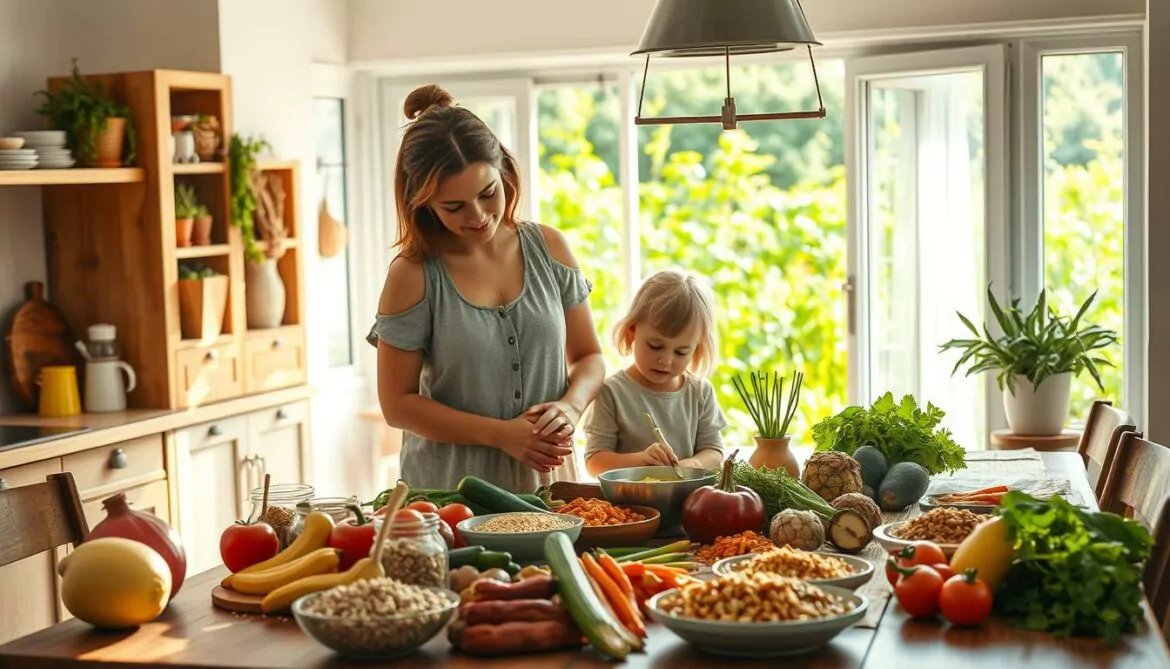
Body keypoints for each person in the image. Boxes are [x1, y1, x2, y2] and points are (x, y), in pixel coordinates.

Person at [368, 84, 605, 493]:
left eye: (487, 193)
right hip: (450, 498)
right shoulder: (412, 274)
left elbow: (590, 357)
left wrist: (571, 406)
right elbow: (397, 405)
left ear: (505, 174)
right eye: (454, 207)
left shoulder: (549, 248)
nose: (478, 217)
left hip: (550, 489)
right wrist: (501, 434)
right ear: (421, 204)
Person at [583, 270, 728, 476]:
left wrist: (691, 465)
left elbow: (714, 452)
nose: (666, 360)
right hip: (628, 506)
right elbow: (595, 462)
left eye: (681, 351)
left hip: (689, 504)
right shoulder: (611, 392)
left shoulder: (700, 392)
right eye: (655, 346)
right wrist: (641, 460)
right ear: (632, 330)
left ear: (698, 347)